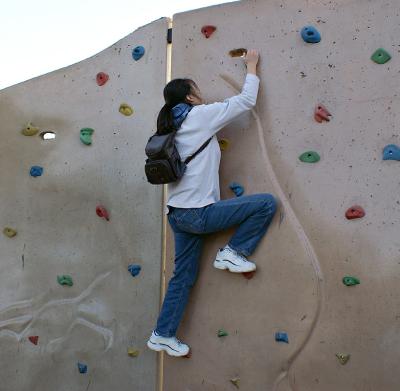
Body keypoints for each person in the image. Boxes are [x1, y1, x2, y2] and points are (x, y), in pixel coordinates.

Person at [147, 50, 277, 357]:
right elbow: (245, 101)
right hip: (198, 214)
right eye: (197, 90)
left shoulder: (169, 127)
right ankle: (233, 252)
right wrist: (252, 66)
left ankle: (162, 335)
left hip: (177, 214)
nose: (201, 94)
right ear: (190, 97)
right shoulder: (199, 116)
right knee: (265, 204)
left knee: (183, 278)